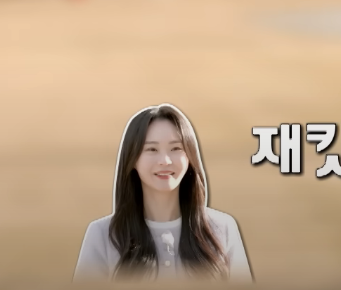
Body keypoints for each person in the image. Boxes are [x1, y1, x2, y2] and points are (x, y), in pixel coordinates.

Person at [74, 103, 253, 283]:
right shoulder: (103, 235)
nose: (165, 161)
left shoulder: (222, 229)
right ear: (133, 159)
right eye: (151, 149)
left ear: (190, 157)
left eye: (176, 149)